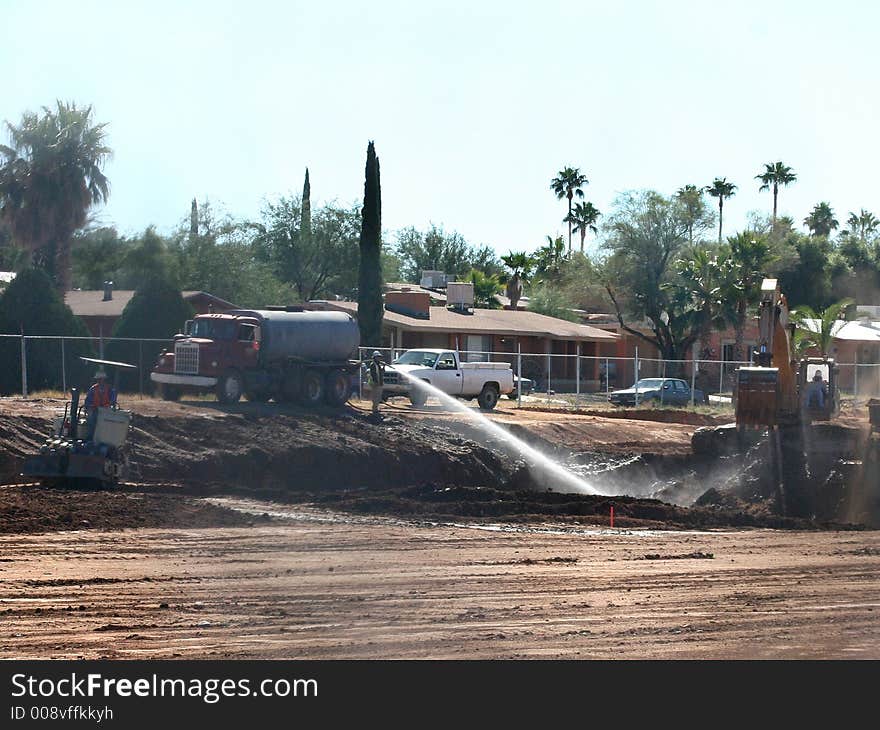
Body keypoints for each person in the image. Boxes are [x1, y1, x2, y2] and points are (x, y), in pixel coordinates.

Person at [84, 370, 117, 440]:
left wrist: (108, 405)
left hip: (106, 410)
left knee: (105, 425)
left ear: (104, 379)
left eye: (101, 379)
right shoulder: (93, 388)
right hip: (95, 409)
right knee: (91, 422)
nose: (99, 380)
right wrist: (88, 407)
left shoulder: (110, 389)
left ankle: (103, 438)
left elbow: (113, 399)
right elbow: (88, 400)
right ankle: (90, 438)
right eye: (98, 379)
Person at [367, 351, 385, 416]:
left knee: (378, 397)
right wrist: (375, 382)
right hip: (375, 384)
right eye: (377, 357)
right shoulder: (373, 365)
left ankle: (376, 408)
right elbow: (373, 374)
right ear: (374, 357)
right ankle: (374, 410)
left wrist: (383, 367)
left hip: (379, 383)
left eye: (379, 357)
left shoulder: (378, 365)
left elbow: (381, 373)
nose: (379, 359)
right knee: (375, 397)